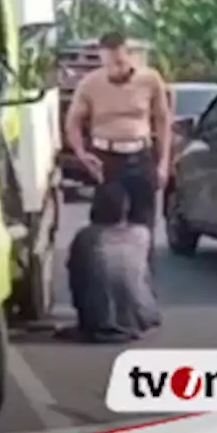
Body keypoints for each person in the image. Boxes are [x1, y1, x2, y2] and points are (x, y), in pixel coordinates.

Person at [63, 31, 172, 233]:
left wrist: (164, 163)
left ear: (129, 56)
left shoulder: (150, 79)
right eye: (109, 65)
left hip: (141, 155)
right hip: (107, 159)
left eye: (120, 63)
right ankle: (105, 263)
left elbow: (163, 120)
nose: (115, 70)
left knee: (143, 223)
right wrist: (82, 155)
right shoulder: (90, 84)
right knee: (106, 220)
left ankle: (142, 264)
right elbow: (72, 123)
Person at [60, 182, 161, 343]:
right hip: (143, 318)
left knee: (78, 267)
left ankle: (94, 320)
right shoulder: (142, 234)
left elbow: (76, 277)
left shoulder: (86, 237)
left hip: (97, 321)